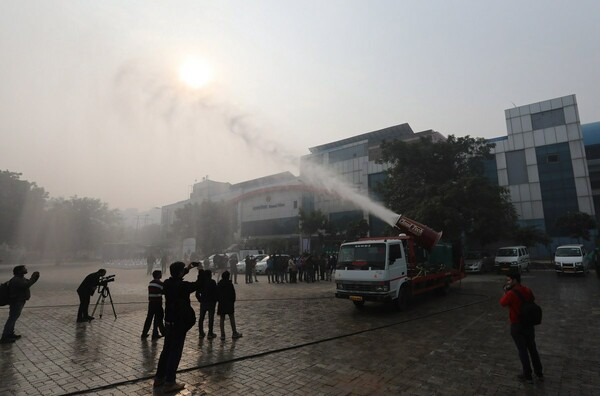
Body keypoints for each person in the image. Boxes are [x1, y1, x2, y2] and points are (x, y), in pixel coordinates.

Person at [154, 261, 199, 392]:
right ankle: (170, 382)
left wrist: (187, 269)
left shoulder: (167, 283)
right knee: (175, 351)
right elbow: (198, 284)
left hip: (169, 321)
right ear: (179, 272)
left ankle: (159, 378)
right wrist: (201, 270)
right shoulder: (183, 286)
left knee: (166, 350)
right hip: (179, 322)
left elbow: (176, 279)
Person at [500, 272, 544, 383]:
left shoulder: (510, 294)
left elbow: (502, 303)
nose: (507, 282)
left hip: (517, 325)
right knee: (532, 348)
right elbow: (531, 300)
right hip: (529, 324)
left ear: (515, 280)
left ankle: (527, 375)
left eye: (509, 280)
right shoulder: (527, 290)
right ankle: (539, 373)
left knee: (522, 350)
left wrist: (505, 292)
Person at [1, 265, 40, 344]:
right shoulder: (16, 280)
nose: (26, 269)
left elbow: (28, 282)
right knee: (12, 318)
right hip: (17, 301)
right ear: (19, 271)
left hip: (19, 301)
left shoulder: (20, 278)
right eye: (24, 268)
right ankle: (5, 336)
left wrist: (34, 278)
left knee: (13, 318)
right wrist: (34, 277)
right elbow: (26, 285)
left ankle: (10, 334)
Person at [217, 271, 242, 340]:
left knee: (222, 319)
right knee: (231, 317)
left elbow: (217, 294)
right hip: (229, 303)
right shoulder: (230, 284)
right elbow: (233, 294)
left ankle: (222, 334)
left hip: (221, 303)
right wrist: (232, 301)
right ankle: (234, 332)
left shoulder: (219, 284)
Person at [141, 270, 166, 340]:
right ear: (158, 275)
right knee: (158, 318)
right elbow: (164, 291)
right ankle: (158, 333)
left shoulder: (150, 283)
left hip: (151, 303)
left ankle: (144, 333)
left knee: (149, 318)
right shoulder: (160, 283)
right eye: (160, 274)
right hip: (157, 303)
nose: (161, 275)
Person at [198, 269, 218, 339]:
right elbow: (216, 292)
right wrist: (215, 300)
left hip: (203, 302)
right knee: (211, 318)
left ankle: (201, 332)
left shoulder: (202, 282)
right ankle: (210, 333)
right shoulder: (212, 282)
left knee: (201, 318)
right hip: (211, 303)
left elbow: (197, 293)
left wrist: (200, 300)